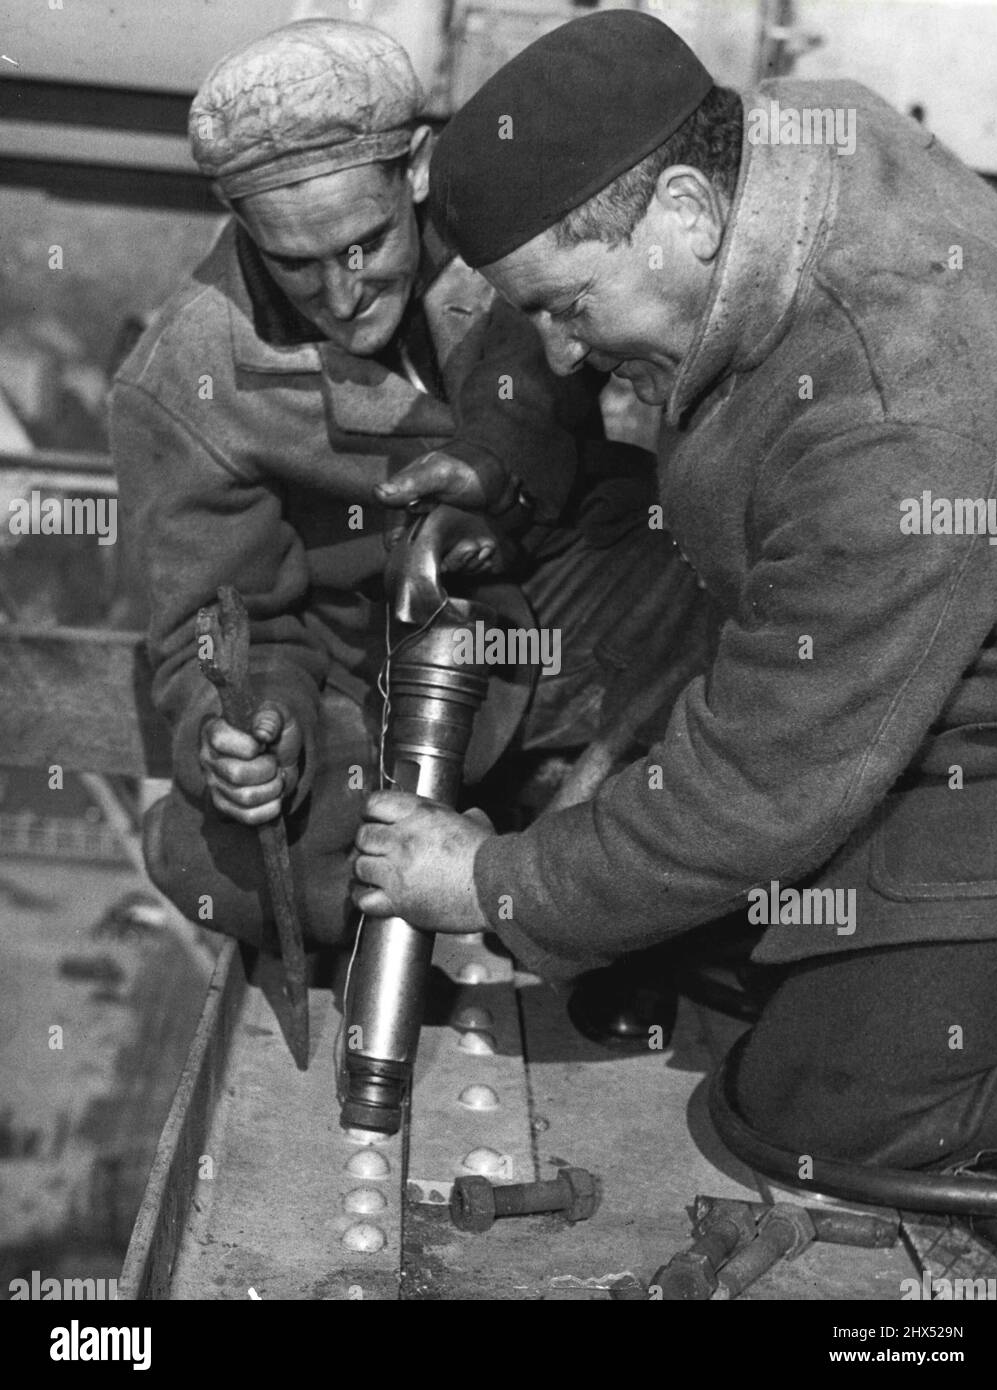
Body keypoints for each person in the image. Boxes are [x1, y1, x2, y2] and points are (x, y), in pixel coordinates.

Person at [351, 9, 997, 1169]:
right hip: (878, 662)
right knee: (674, 938)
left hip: (981, 737)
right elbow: (528, 294)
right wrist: (503, 461)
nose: (559, 352)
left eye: (570, 308)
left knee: (825, 1119)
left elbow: (763, 784)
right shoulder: (783, 148)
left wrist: (487, 882)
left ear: (688, 217)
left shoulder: (898, 421)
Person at [113, 18, 697, 953]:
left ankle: (570, 852)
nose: (343, 294)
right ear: (242, 225)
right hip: (366, 686)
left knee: (717, 571)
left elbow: (561, 386)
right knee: (221, 857)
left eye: (365, 244)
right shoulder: (182, 382)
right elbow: (226, 629)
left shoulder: (506, 224)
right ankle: (516, 861)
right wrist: (260, 733)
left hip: (549, 600)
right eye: (294, 263)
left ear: (416, 167)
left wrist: (495, 472)